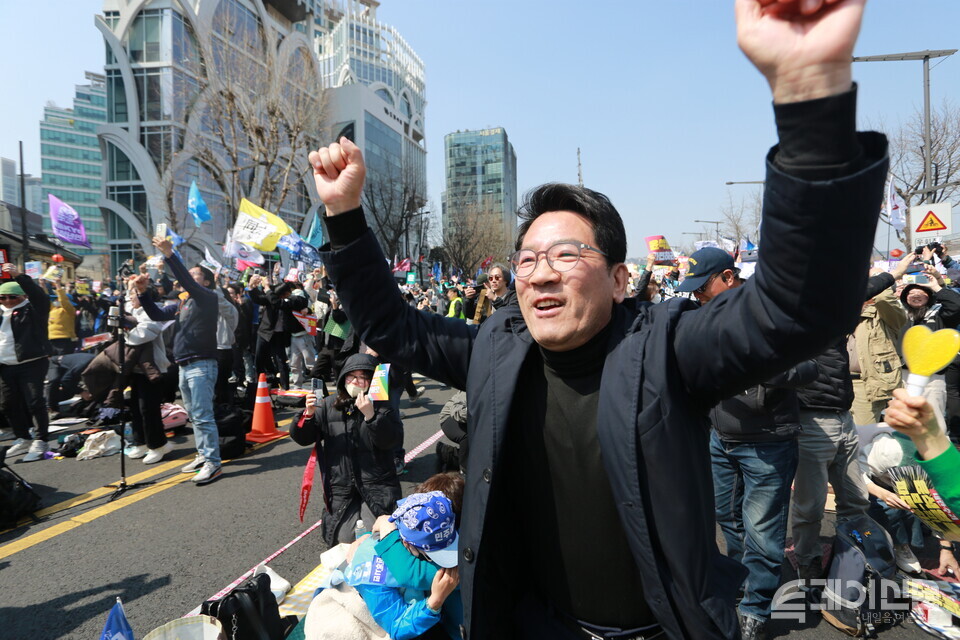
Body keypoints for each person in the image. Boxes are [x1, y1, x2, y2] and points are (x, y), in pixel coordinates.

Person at [308, 1, 887, 637]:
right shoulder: (497, 348)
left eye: (566, 253)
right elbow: (392, 327)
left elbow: (798, 307)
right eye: (526, 259)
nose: (541, 272)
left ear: (618, 278)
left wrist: (810, 96)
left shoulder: (668, 347)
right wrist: (345, 218)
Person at [678, 246, 817, 639]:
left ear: (727, 277)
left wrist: (761, 366)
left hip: (767, 442)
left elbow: (810, 367)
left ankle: (755, 607)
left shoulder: (772, 312)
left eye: (703, 288)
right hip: (719, 438)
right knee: (728, 518)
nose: (698, 297)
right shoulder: (701, 315)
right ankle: (741, 583)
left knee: (762, 530)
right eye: (693, 291)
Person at [135, 237, 223, 485]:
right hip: (185, 365)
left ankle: (212, 463)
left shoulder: (208, 297)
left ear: (206, 282)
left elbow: (184, 279)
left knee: (203, 415)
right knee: (194, 415)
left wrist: (170, 255)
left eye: (195, 274)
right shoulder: (184, 302)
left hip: (202, 364)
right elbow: (156, 314)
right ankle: (203, 455)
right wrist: (142, 293)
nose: (187, 278)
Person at [291, 353, 402, 545]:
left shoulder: (383, 405)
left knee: (376, 536)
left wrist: (371, 416)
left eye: (363, 377)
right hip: (342, 485)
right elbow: (303, 438)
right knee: (344, 539)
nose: (357, 382)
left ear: (372, 381)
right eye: (352, 376)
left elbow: (391, 441)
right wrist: (308, 415)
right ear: (343, 378)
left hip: (377, 483)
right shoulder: (327, 405)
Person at [353, 491, 461, 640]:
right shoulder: (372, 568)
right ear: (407, 544)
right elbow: (396, 626)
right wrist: (434, 602)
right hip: (412, 620)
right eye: (434, 553)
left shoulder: (435, 517)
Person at [0, 264, 54, 462]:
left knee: (34, 402)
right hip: (5, 365)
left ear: (21, 296)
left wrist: (19, 276)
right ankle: (22, 437)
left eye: (12, 297)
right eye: (3, 297)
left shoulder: (32, 310)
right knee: (8, 404)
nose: (7, 301)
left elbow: (40, 297)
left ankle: (41, 439)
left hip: (32, 362)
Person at [849, 257, 911, 424]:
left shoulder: (888, 315)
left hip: (866, 384)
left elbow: (883, 299)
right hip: (840, 383)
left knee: (862, 436)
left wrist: (881, 277)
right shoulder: (846, 312)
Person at [123, 281, 173, 464]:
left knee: (148, 408)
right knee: (135, 406)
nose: (130, 297)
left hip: (153, 369)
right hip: (135, 367)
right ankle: (141, 442)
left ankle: (158, 445)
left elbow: (141, 336)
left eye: (134, 294)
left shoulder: (154, 313)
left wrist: (125, 327)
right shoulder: (133, 310)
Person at [47, 280, 78, 355]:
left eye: (58, 298)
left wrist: (58, 285)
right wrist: (43, 285)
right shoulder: (52, 309)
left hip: (64, 339)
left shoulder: (70, 310)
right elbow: (45, 298)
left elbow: (64, 301)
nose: (56, 300)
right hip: (51, 339)